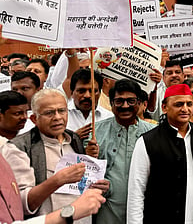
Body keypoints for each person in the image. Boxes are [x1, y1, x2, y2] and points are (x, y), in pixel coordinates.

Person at [7, 88, 108, 224]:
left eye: (62, 111)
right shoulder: (19, 147)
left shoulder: (74, 140)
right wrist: (58, 180)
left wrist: (96, 185)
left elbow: (81, 186)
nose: (57, 117)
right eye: (49, 113)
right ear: (34, 118)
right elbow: (22, 203)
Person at [127, 84, 193, 224]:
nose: (185, 109)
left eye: (189, 104)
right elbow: (136, 192)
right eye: (179, 104)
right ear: (164, 107)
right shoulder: (147, 141)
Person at [85, 79, 156, 224]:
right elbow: (83, 174)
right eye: (119, 101)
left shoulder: (153, 134)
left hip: (145, 207)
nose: (125, 106)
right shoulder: (94, 132)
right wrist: (88, 157)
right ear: (111, 104)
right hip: (107, 209)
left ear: (140, 103)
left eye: (131, 101)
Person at [67, 69, 113, 141]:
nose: (87, 96)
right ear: (72, 93)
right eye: (81, 91)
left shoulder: (109, 118)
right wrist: (73, 138)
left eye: (93, 91)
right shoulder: (60, 116)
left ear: (100, 93)